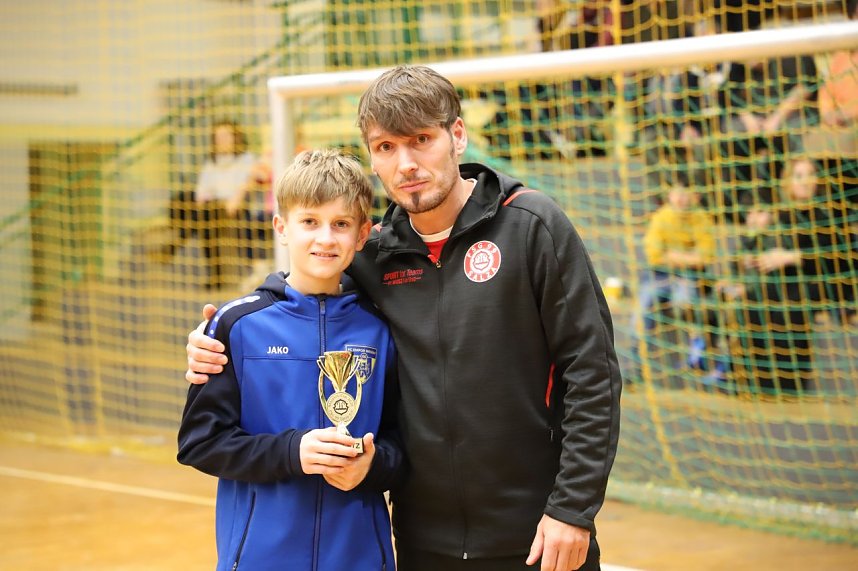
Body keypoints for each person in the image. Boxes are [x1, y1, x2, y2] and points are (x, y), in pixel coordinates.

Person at [186, 65, 622, 571]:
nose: (406, 163)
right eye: (386, 147)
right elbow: (301, 301)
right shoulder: (370, 256)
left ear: (457, 135)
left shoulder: (532, 226)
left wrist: (572, 509)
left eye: (421, 139)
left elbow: (592, 374)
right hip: (421, 540)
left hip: (535, 533)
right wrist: (214, 336)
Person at [177, 149, 404, 571]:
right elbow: (200, 443)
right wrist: (293, 452)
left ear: (362, 234)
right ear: (282, 227)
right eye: (310, 222)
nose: (325, 238)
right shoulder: (236, 325)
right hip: (262, 558)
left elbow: (401, 441)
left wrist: (375, 466)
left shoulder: (381, 329)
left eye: (340, 224)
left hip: (360, 557)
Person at [158, 119, 263, 289]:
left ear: (236, 137)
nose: (222, 140)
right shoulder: (211, 163)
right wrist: (203, 199)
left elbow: (246, 185)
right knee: (192, 207)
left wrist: (231, 199)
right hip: (212, 208)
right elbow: (202, 190)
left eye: (226, 136)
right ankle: (213, 274)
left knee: (203, 217)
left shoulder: (247, 159)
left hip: (237, 208)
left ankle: (175, 245)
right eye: (218, 137)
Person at [641, 178, 719, 375]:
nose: (681, 199)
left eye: (686, 194)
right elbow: (654, 255)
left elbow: (706, 256)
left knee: (684, 301)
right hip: (661, 276)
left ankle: (695, 355)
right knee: (643, 306)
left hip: (690, 277)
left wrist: (673, 256)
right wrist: (689, 257)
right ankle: (637, 363)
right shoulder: (661, 218)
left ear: (695, 196)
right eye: (677, 194)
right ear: (670, 196)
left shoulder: (701, 218)